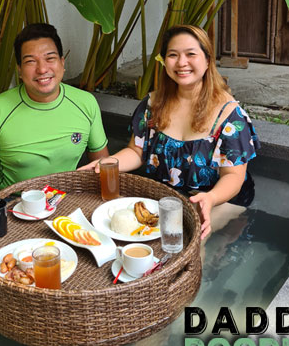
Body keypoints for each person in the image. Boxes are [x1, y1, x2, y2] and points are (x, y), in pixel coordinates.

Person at [81, 24, 260, 240]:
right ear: (165, 61)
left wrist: (210, 198)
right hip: (168, 196)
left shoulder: (230, 115)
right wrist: (108, 164)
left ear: (207, 60)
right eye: (173, 55)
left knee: (187, 243)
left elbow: (233, 176)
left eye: (191, 54)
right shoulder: (153, 104)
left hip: (216, 197)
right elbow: (137, 151)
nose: (182, 62)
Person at [0, 23, 109, 198]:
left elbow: (102, 163)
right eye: (30, 61)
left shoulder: (86, 103)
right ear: (19, 70)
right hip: (14, 204)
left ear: (62, 63)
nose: (42, 69)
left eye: (50, 58)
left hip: (67, 200)